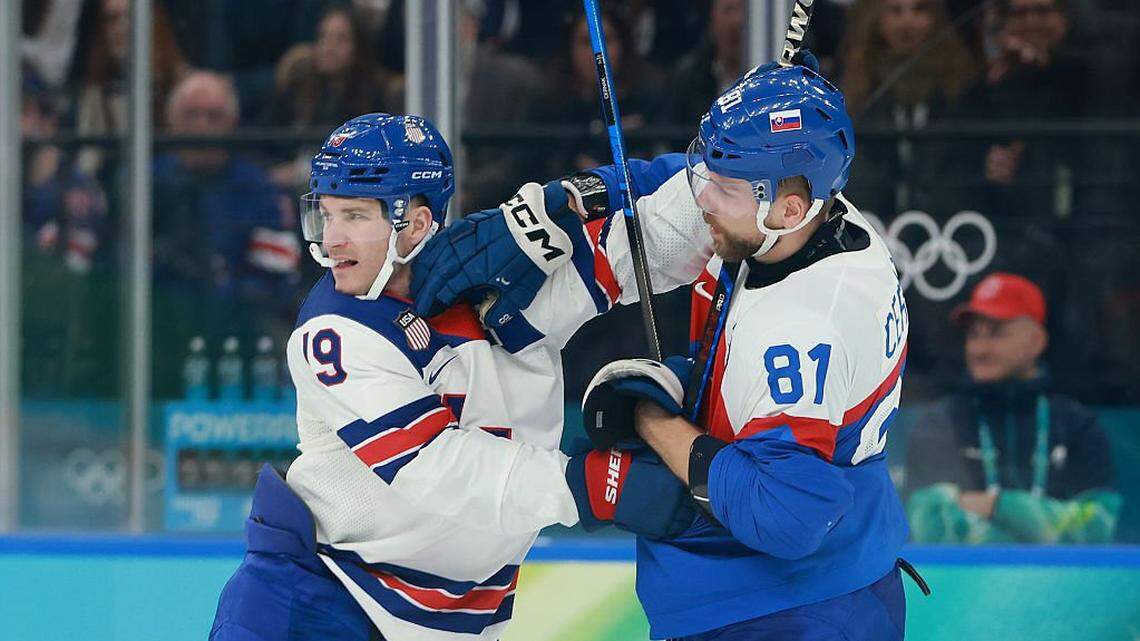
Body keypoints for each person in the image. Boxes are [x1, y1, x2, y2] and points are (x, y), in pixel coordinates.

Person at [411, 57, 920, 640]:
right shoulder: (813, 223)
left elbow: (788, 514)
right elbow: (683, 183)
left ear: (790, 208)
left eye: (725, 188)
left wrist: (654, 419)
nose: (702, 199)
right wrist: (574, 199)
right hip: (821, 584)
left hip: (786, 613)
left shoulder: (801, 328)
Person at [208, 113, 697, 641]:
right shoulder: (334, 332)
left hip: (454, 618)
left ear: (415, 225)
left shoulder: (510, 272)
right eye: (325, 216)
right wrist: (587, 485)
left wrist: (587, 194)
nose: (333, 240)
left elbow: (664, 239)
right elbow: (435, 466)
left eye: (353, 216)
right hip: (320, 604)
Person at [905, 272, 1121, 544]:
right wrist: (1046, 524)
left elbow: (1097, 527)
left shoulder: (1076, 425)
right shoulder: (940, 423)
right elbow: (929, 526)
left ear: (1036, 341)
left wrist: (997, 506)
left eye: (996, 334)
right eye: (974, 335)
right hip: (964, 584)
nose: (980, 348)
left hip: (1064, 586)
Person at [151, 71, 299, 397]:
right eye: (191, 115)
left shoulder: (258, 188)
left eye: (213, 117)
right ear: (171, 122)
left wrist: (221, 294)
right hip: (159, 323)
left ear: (231, 124)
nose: (201, 127)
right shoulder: (142, 183)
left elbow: (276, 279)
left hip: (239, 329)